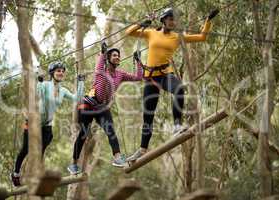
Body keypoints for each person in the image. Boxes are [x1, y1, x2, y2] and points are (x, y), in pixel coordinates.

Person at [125, 8, 219, 161]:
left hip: (165, 75)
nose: (173, 22)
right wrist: (141, 24)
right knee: (148, 115)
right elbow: (129, 32)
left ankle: (177, 125)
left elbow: (202, 37)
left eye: (175, 20)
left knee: (180, 88)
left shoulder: (177, 37)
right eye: (170, 19)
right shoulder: (151, 33)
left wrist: (208, 20)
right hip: (151, 79)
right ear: (163, 20)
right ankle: (142, 149)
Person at [67, 42, 143, 174]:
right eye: (114, 55)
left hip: (102, 107)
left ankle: (117, 157)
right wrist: (103, 52)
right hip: (88, 104)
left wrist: (138, 61)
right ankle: (73, 163)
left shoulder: (120, 74)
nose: (117, 57)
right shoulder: (101, 71)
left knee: (111, 131)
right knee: (84, 134)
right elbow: (100, 63)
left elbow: (138, 77)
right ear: (108, 58)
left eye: (118, 55)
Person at [11, 62, 84, 186]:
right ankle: (16, 173)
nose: (61, 73)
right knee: (25, 149)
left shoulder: (63, 90)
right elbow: (38, 95)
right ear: (52, 73)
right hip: (34, 120)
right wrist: (39, 82)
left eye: (62, 71)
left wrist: (81, 82)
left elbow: (76, 98)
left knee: (46, 142)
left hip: (46, 123)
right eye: (58, 71)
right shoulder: (45, 85)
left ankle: (35, 173)